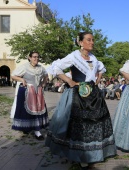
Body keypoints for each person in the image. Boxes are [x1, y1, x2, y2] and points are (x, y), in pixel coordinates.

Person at [45, 32, 116, 169]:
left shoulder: (94, 58)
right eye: (89, 40)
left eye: (93, 40)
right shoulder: (74, 56)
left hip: (93, 95)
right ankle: (78, 154)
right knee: (78, 125)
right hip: (77, 94)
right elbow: (56, 67)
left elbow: (101, 68)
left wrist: (98, 79)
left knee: (94, 123)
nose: (92, 42)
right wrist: (70, 81)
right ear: (80, 42)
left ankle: (93, 153)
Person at [11, 52, 49, 140]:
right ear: (30, 58)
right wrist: (21, 79)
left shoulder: (40, 68)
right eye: (34, 57)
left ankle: (37, 130)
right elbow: (13, 75)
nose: (36, 59)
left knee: (37, 110)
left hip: (38, 92)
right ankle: (29, 128)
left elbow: (46, 75)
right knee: (26, 111)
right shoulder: (25, 67)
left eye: (38, 57)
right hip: (27, 91)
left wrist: (43, 83)